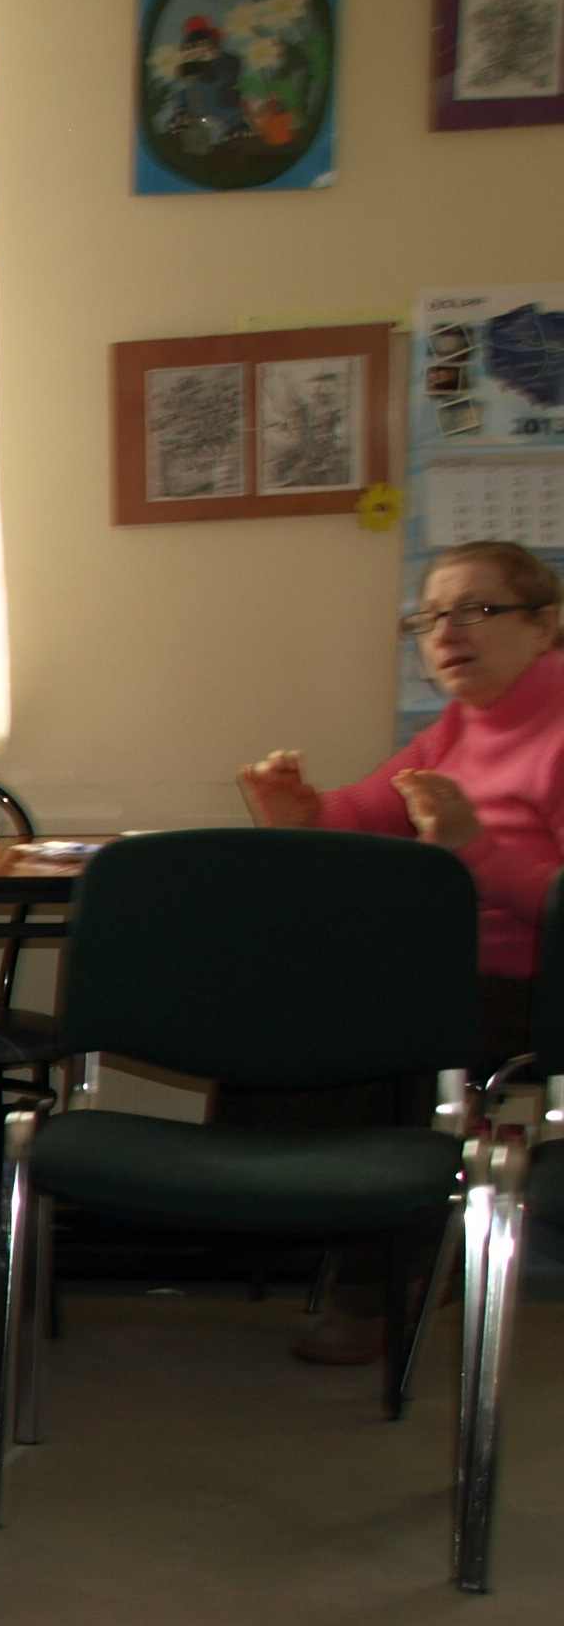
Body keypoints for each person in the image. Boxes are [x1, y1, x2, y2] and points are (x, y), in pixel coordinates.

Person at [236, 537, 563, 1361]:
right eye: (430, 617)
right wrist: (302, 812)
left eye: (478, 609)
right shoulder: (459, 727)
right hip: (442, 979)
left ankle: (383, 1283)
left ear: (546, 625)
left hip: (538, 986)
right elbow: (364, 811)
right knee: (276, 996)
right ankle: (282, 1224)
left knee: (369, 1026)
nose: (448, 632)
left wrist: (474, 848)